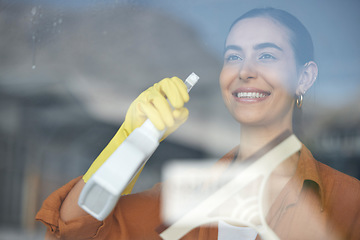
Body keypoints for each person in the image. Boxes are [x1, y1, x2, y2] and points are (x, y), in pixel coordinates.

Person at [36, 7, 360, 240]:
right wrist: (132, 141)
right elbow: (76, 230)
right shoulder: (185, 196)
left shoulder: (350, 203)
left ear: (305, 77)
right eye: (233, 56)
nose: (244, 70)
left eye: (267, 55)